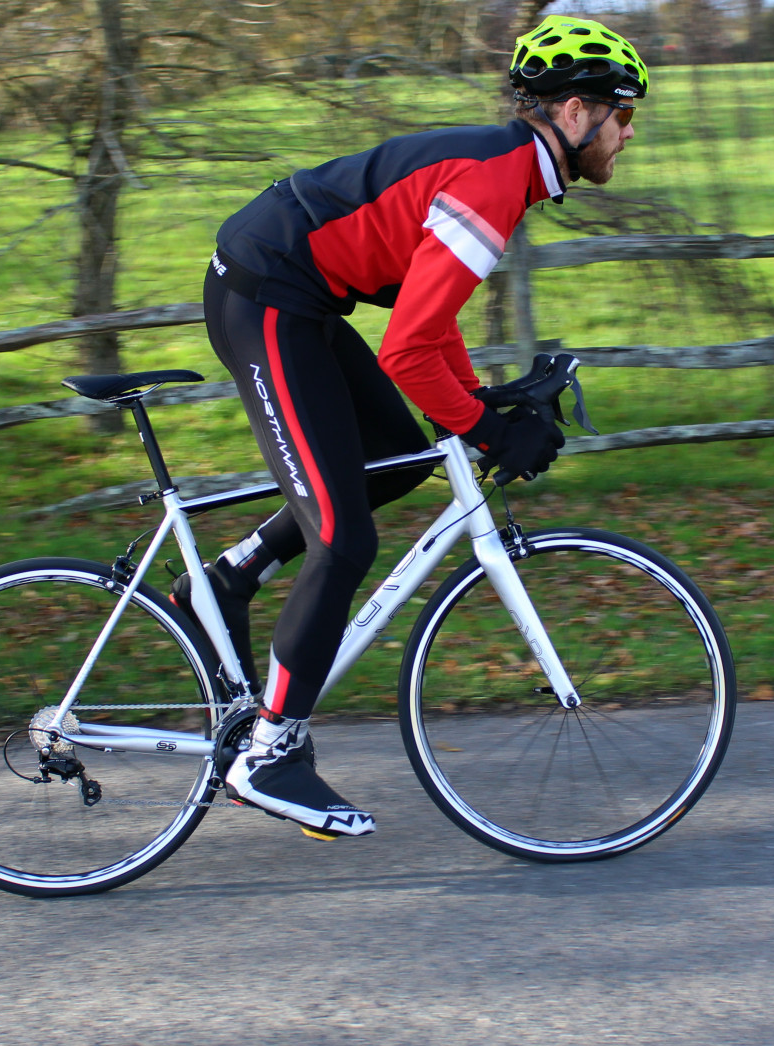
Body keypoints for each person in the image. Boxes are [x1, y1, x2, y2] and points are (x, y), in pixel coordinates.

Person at [183, 16, 649, 839]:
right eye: (623, 113)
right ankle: (270, 756)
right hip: (267, 295)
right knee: (343, 537)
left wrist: (478, 411)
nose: (629, 131)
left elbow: (430, 323)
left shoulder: (510, 169)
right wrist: (482, 428)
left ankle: (225, 581)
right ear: (576, 114)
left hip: (303, 297)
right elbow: (406, 350)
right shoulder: (497, 181)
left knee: (398, 464)